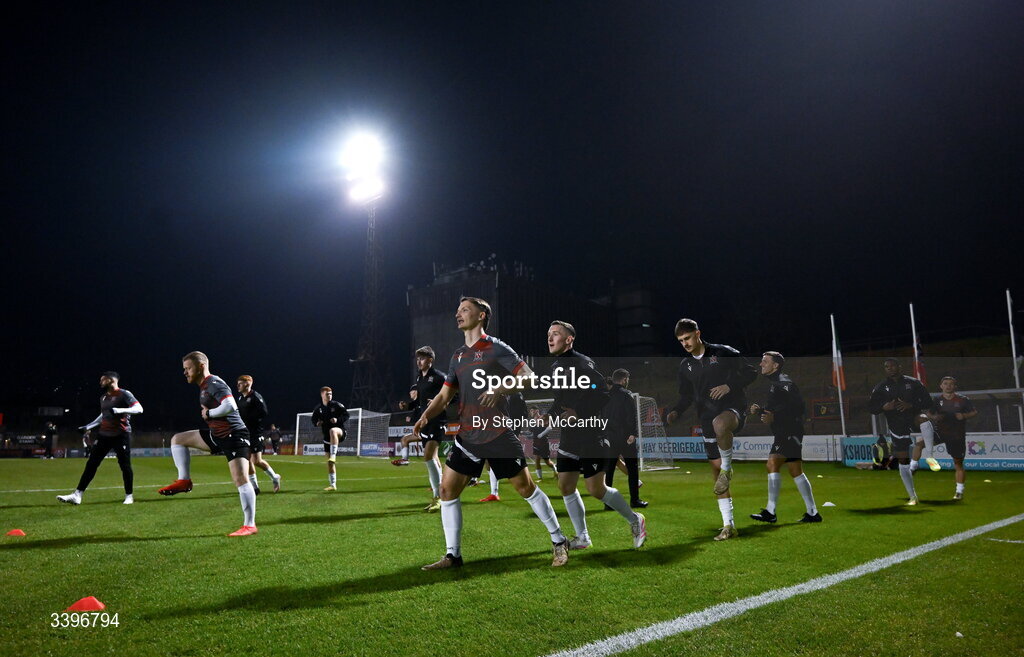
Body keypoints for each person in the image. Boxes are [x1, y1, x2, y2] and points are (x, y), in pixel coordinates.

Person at [413, 297, 569, 570]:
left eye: (464, 309)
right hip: (468, 435)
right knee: (447, 490)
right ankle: (453, 556)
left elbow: (529, 377)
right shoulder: (458, 356)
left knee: (525, 487)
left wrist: (499, 388)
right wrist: (426, 415)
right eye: (458, 310)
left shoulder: (496, 348)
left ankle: (559, 540)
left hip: (497, 433)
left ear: (482, 315)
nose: (458, 314)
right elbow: (445, 394)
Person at [546, 321, 646, 550]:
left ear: (569, 339)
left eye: (556, 334)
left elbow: (601, 391)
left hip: (590, 435)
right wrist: (551, 414)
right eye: (549, 334)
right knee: (565, 486)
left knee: (596, 490)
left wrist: (578, 412)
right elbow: (561, 399)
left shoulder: (582, 363)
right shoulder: (556, 367)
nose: (550, 338)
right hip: (569, 437)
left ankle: (635, 520)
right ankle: (582, 537)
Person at [666, 318, 757, 541]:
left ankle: (728, 467)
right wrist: (676, 411)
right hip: (705, 418)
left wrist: (729, 386)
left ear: (698, 334)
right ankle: (728, 525)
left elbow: (751, 372)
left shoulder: (723, 352)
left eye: (687, 338)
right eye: (680, 341)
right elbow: (686, 395)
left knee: (720, 424)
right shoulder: (685, 366)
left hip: (732, 410)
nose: (685, 343)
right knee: (717, 476)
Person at [157, 352, 257, 537]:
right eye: (184, 369)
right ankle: (184, 480)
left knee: (240, 478)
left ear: (201, 366)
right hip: (216, 435)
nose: (185, 373)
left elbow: (230, 406)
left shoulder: (213, 383)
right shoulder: (204, 386)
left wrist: (210, 414)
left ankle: (249, 525)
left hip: (234, 435)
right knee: (178, 440)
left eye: (188, 368)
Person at [747, 352, 821, 523]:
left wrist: (775, 417)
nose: (761, 364)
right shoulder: (776, 383)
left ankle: (771, 512)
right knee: (796, 471)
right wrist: (760, 411)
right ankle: (813, 513)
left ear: (776, 365)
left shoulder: (784, 383)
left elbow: (799, 408)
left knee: (772, 463)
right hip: (786, 431)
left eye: (765, 361)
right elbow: (780, 407)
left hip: (789, 431)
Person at [57, 372, 142, 505]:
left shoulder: (124, 394)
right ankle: (77, 495)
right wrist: (87, 426)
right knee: (91, 464)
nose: (100, 383)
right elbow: (103, 416)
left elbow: (139, 409)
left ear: (110, 380)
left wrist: (119, 410)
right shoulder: (103, 397)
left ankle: (129, 496)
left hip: (121, 434)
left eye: (102, 380)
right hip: (103, 435)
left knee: (125, 466)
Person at [868, 358, 937, 505]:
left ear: (900, 366)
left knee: (924, 418)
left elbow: (928, 402)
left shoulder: (913, 383)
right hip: (896, 424)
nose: (890, 368)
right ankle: (913, 496)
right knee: (903, 460)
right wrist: (884, 407)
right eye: (887, 366)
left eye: (893, 365)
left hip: (913, 417)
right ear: (885, 369)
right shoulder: (880, 387)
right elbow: (871, 408)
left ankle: (930, 457)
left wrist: (910, 405)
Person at [395, 347, 448, 512]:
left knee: (428, 457)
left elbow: (454, 397)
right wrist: (408, 405)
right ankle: (440, 494)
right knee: (432, 459)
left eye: (422, 358)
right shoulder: (419, 379)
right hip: (424, 421)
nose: (418, 361)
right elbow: (420, 403)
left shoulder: (440, 377)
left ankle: (438, 498)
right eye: (417, 359)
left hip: (438, 420)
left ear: (430, 360)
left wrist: (437, 402)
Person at [929, 376, 977, 500]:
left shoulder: (963, 400)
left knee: (958, 463)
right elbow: (929, 413)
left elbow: (974, 412)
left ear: (955, 386)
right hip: (940, 432)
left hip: (956, 435)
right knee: (919, 443)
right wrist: (934, 417)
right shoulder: (936, 400)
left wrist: (964, 415)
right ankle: (916, 464)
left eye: (951, 384)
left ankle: (959, 491)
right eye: (945, 383)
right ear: (941, 386)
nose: (948, 386)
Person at [603, 369, 646, 508]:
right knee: (632, 469)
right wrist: (632, 434)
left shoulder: (605, 396)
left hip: (610, 437)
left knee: (609, 471)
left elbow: (601, 417)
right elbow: (631, 416)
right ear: (624, 380)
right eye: (627, 379)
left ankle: (608, 503)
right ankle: (635, 500)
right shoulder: (626, 394)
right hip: (625, 437)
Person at [237, 375, 281, 494]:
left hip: (255, 433)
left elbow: (264, 412)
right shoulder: (240, 399)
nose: (238, 386)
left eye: (240, 383)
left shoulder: (255, 397)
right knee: (247, 460)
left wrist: (249, 419)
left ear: (247, 383)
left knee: (257, 461)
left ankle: (274, 477)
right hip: (244, 433)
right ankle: (255, 488)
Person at [312, 386, 349, 491]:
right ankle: (333, 485)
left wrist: (338, 419)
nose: (329, 396)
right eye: (327, 394)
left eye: (331, 394)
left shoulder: (336, 405)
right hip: (327, 438)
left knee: (333, 431)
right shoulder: (318, 409)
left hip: (340, 433)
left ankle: (333, 455)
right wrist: (317, 423)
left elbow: (347, 414)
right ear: (322, 395)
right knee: (329, 463)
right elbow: (313, 420)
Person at [528, 407, 557, 481]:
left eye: (532, 410)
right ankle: (540, 478)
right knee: (537, 460)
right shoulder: (532, 421)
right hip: (536, 443)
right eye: (530, 411)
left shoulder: (543, 417)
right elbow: (531, 431)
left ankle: (556, 470)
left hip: (544, 443)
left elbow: (550, 427)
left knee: (547, 462)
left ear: (537, 410)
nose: (531, 412)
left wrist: (542, 434)